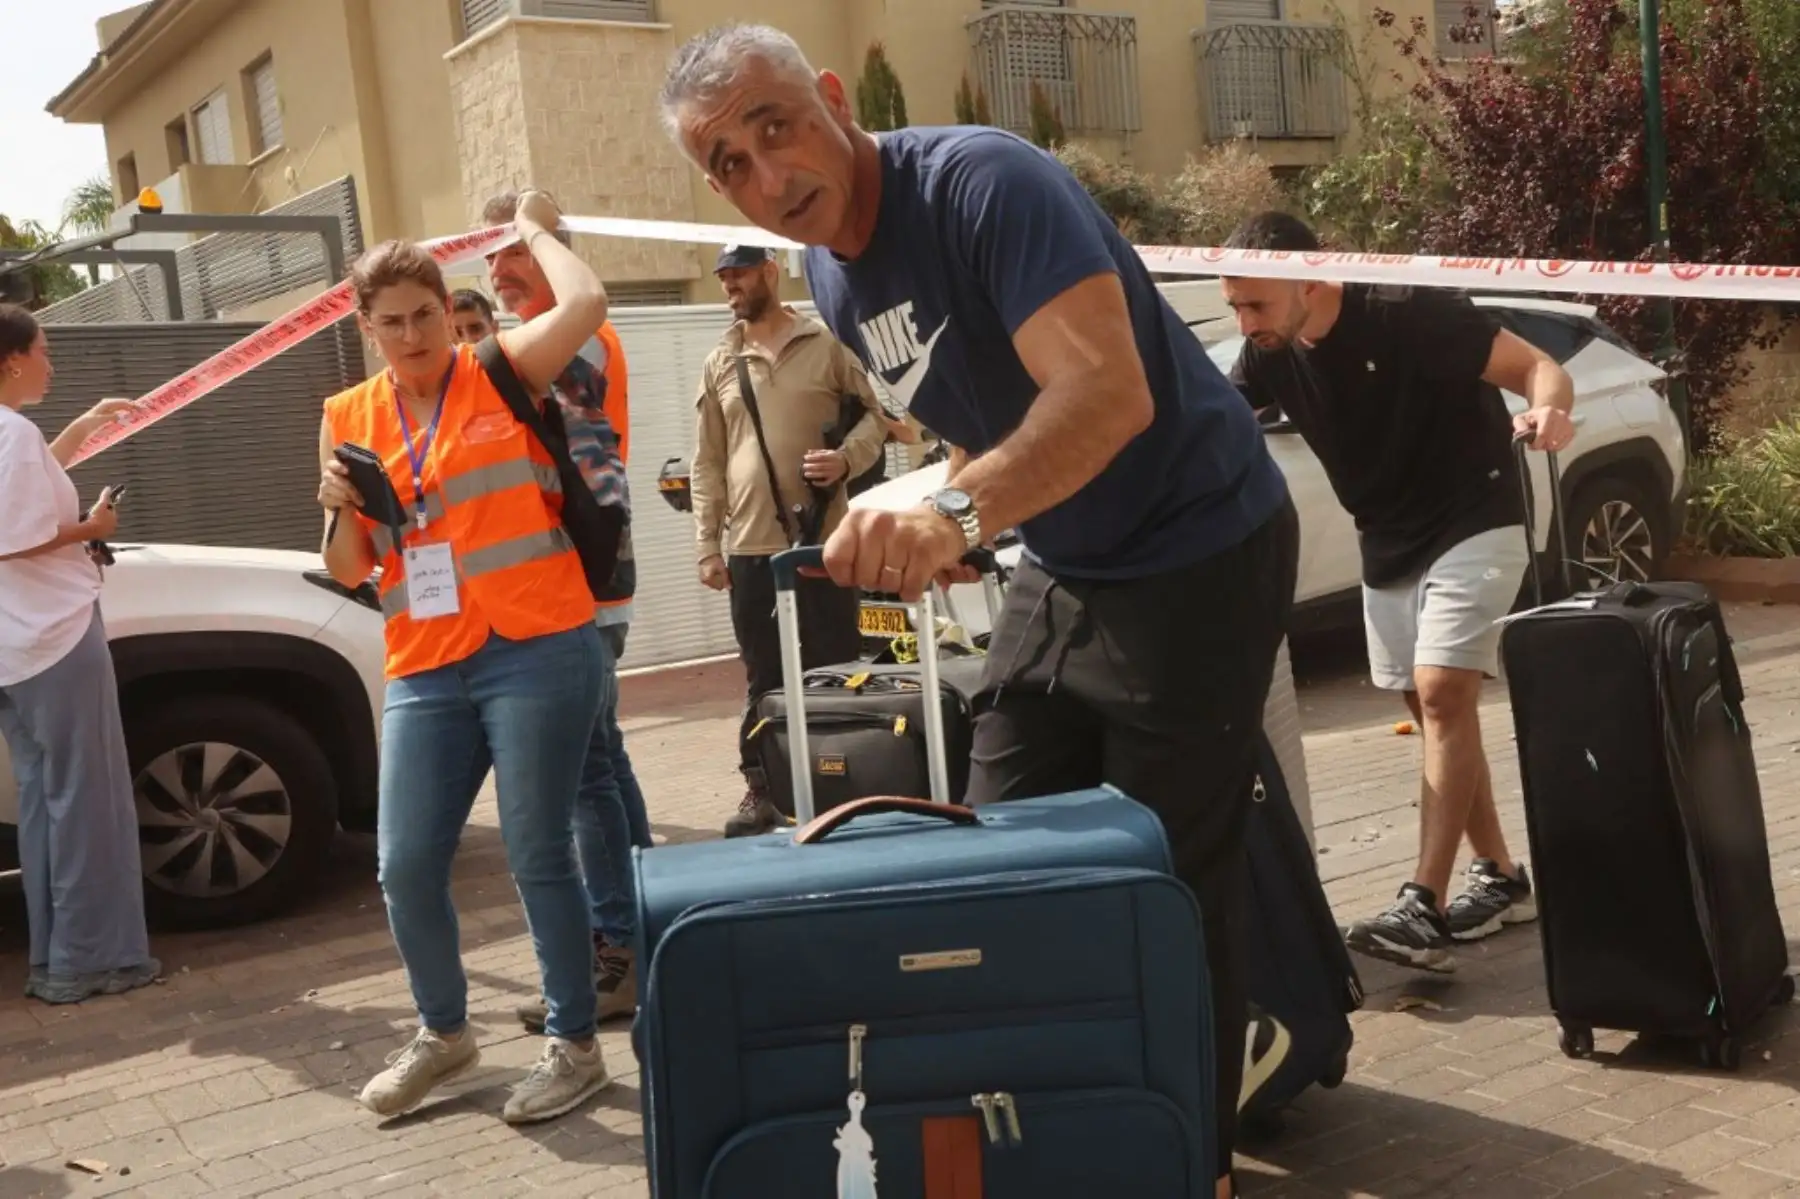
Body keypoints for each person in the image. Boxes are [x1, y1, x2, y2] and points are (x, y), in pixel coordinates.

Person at [660, 26, 1297, 1196]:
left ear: (835, 100)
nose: (765, 174)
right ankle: (1060, 1110)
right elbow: (975, 419)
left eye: (774, 126)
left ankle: (1190, 1152)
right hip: (1068, 558)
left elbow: (1106, 392)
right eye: (727, 164)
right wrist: (967, 515)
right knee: (995, 849)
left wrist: (955, 512)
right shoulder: (834, 277)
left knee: (1157, 871)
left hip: (1201, 538)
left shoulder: (982, 183)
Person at [316, 191, 615, 1125]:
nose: (412, 334)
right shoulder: (346, 414)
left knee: (536, 851)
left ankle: (574, 1044)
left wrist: (529, 232)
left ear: (451, 311)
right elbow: (351, 566)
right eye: (392, 321)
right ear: (366, 329)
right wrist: (336, 502)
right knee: (404, 863)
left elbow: (587, 307)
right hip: (427, 660)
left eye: (426, 315)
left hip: (537, 642)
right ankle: (445, 1033)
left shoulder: (500, 370)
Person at [1220, 211, 1575, 974]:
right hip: (1385, 535)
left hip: (1475, 512)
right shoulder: (1267, 352)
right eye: (1235, 306)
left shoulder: (1408, 311)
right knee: (1432, 710)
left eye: (1255, 304)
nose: (1245, 323)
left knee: (1443, 692)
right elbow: (1203, 425)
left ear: (1309, 278)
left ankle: (1422, 902)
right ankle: (1504, 878)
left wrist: (1551, 409)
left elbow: (1536, 367)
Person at [475, 188, 650, 1032]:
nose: (499, 275)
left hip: (580, 581)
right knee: (604, 766)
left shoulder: (576, 336)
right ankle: (643, 929)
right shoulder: (572, 337)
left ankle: (618, 947)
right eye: (492, 259)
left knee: (586, 776)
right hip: (589, 577)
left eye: (514, 256)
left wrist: (541, 232)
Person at [689, 242, 893, 837]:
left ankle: (844, 780)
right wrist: (707, 543)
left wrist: (846, 460)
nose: (731, 287)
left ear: (770, 273)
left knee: (834, 667)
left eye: (739, 275)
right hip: (750, 548)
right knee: (763, 675)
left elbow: (878, 418)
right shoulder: (720, 359)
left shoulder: (825, 344)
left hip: (824, 544)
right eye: (723, 278)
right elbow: (707, 461)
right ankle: (763, 788)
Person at [0, 305, 160, 1006]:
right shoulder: (12, 432)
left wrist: (84, 426)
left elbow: (24, 492)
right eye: (44, 350)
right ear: (12, 360)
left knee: (47, 802)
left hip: (18, 649)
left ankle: (56, 959)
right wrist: (92, 526)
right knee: (87, 802)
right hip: (56, 637)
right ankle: (93, 961)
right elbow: (14, 530)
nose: (51, 362)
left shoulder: (17, 436)